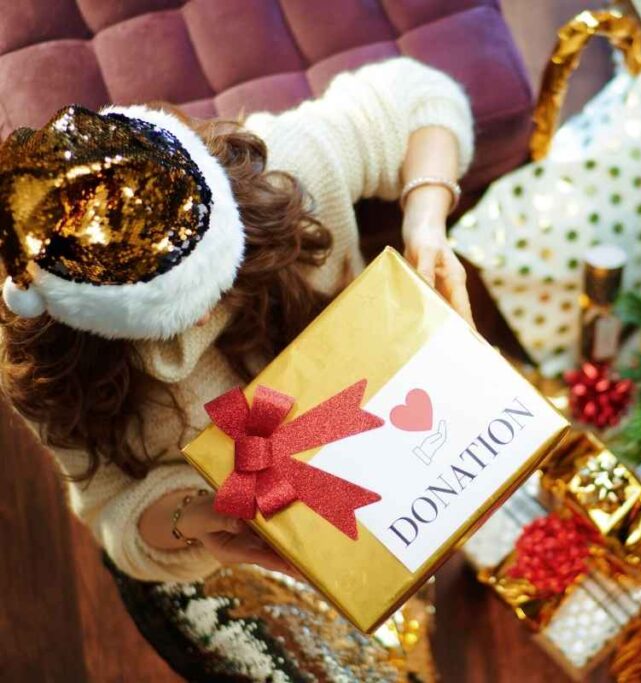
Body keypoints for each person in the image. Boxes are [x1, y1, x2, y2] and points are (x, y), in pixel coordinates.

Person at [0, 57, 473, 678]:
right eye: (172, 317)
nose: (206, 316)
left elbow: (422, 96)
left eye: (218, 278)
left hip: (394, 421)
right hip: (228, 535)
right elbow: (112, 513)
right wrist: (197, 519)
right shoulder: (44, 369)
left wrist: (426, 222)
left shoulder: (282, 174)